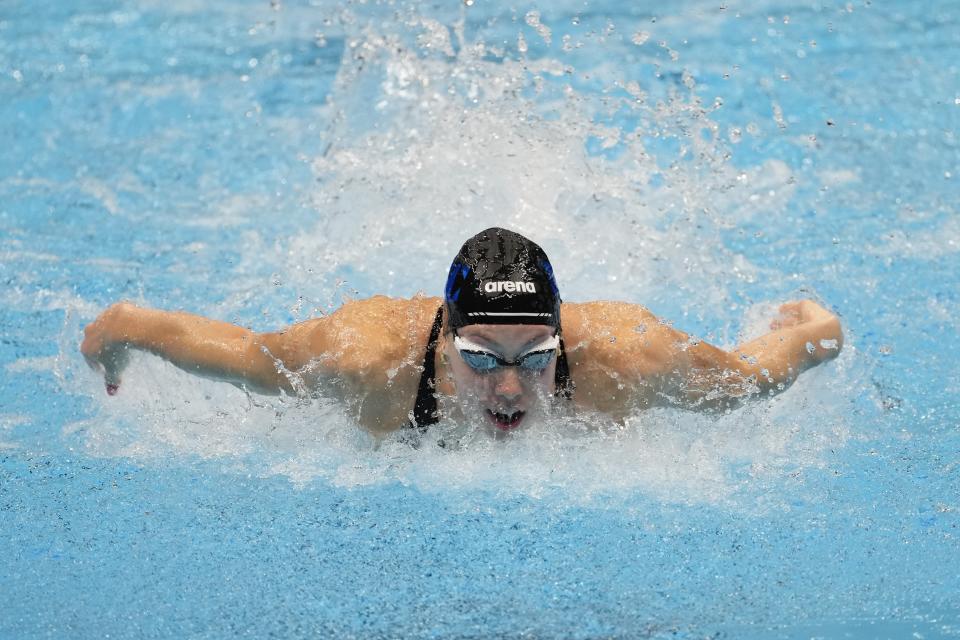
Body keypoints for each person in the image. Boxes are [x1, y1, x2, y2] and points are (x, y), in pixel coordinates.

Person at [81, 227, 844, 438]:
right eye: (481, 358)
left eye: (534, 359)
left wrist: (821, 331)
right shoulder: (367, 359)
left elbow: (750, 378)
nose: (510, 387)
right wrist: (121, 329)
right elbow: (244, 352)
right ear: (444, 342)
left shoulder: (627, 357)